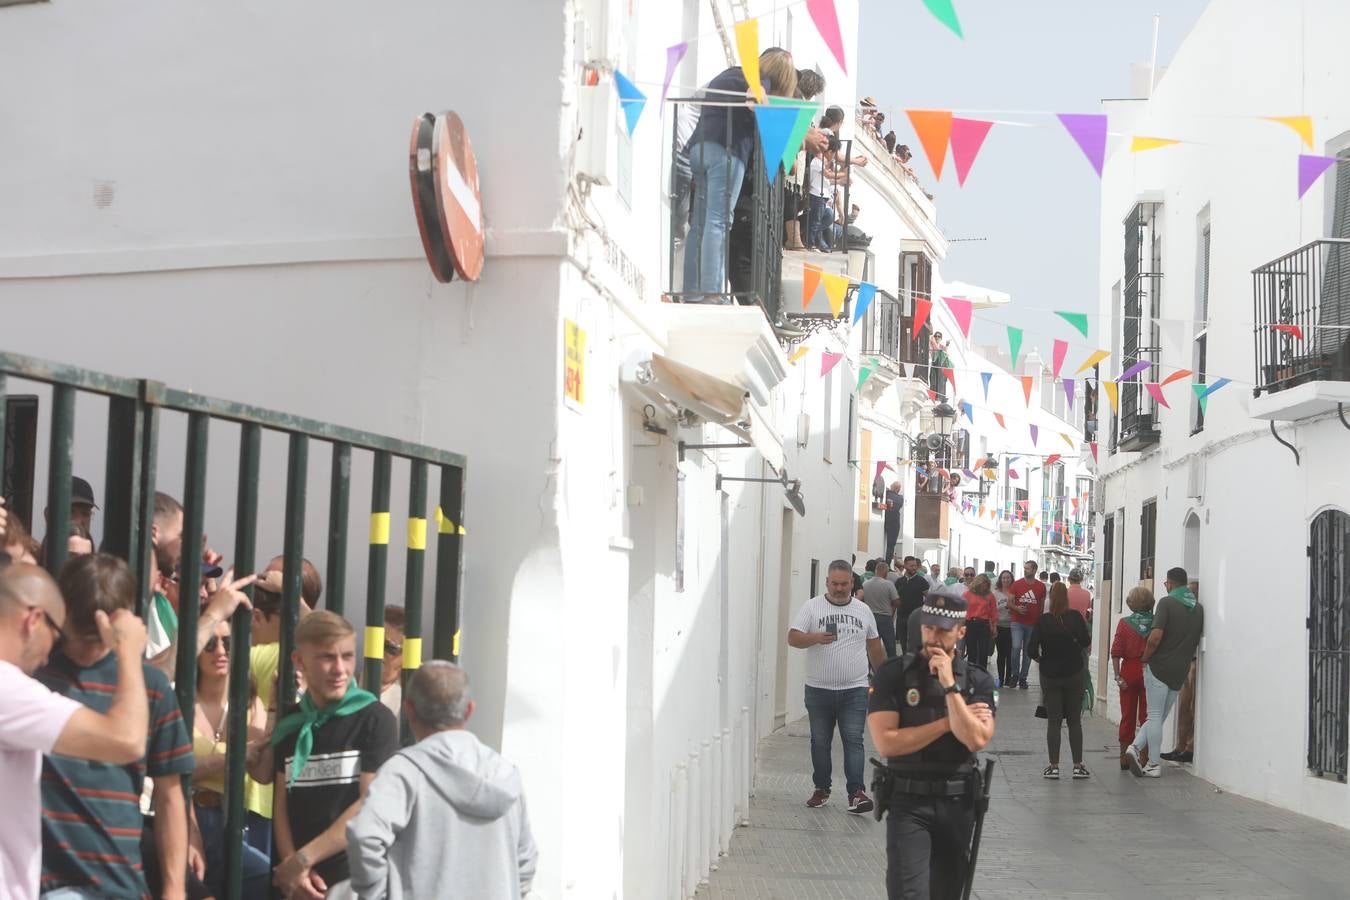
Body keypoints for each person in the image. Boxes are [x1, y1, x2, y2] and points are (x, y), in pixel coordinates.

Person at [37, 553, 197, 899]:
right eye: (80, 634)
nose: (85, 648)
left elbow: (171, 796)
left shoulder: (149, 685)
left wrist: (174, 889)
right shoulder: (33, 674)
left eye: (97, 637)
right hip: (41, 881)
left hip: (119, 883)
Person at [0, 563, 152, 900]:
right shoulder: (6, 687)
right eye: (55, 637)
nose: (46, 657)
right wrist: (128, 650)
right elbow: (126, 740)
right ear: (33, 620)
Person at [348, 662, 537, 900]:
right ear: (469, 710)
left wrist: (378, 895)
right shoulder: (506, 773)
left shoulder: (404, 772)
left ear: (409, 710)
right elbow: (526, 860)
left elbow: (364, 836)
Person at [867, 592, 997, 899]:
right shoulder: (894, 674)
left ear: (961, 631)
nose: (933, 637)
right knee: (909, 893)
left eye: (943, 630)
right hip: (908, 801)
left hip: (958, 802)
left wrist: (951, 687)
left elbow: (976, 739)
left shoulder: (977, 681)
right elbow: (887, 743)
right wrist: (946, 724)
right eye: (929, 628)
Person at [263, 611, 399, 897]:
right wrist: (293, 872)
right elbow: (281, 803)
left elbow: (368, 804)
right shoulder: (291, 724)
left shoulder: (375, 719)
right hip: (298, 885)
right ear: (299, 661)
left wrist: (304, 859)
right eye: (327, 657)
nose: (340, 668)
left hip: (353, 883)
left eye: (348, 656)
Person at [683, 49, 799, 295]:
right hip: (727, 152)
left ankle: (692, 290)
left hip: (699, 148)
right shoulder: (759, 82)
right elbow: (754, 99)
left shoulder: (731, 74)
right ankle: (713, 292)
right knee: (719, 221)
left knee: (699, 224)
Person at [787, 560, 886, 813]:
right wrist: (815, 638)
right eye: (835, 584)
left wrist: (885, 679)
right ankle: (821, 788)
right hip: (819, 690)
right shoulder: (812, 607)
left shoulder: (863, 610)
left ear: (852, 583)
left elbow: (874, 645)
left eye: (844, 584)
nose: (840, 588)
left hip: (855, 690)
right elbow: (793, 638)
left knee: (854, 740)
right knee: (820, 741)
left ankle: (857, 793)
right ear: (827, 583)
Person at [191, 618, 275, 896]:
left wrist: (275, 704)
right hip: (187, 817)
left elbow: (261, 770)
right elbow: (173, 768)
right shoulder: (178, 697)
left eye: (227, 643)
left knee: (269, 880)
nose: (220, 651)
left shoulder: (250, 702)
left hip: (231, 820)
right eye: (210, 644)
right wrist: (234, 758)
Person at [1126, 568, 1203, 779]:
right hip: (1181, 670)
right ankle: (1134, 747)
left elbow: (1155, 637)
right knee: (1158, 717)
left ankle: (1153, 764)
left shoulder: (1167, 603)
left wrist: (1145, 657)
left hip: (1159, 667)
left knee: (1154, 715)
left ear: (1169, 584)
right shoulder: (1198, 609)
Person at [1026, 582, 1092, 779]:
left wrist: (1042, 660)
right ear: (1067, 597)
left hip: (1050, 675)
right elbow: (1086, 642)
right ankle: (1077, 766)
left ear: (1051, 597)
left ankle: (1053, 766)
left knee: (1053, 722)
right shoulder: (1075, 617)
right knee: (1074, 722)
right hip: (1073, 673)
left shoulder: (1043, 620)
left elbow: (1031, 650)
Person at [1111, 586, 1154, 771]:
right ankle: (1144, 757)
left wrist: (1117, 675)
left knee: (1127, 715)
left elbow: (1116, 652)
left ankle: (1123, 756)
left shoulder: (1124, 623)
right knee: (1147, 716)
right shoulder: (1155, 623)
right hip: (1149, 671)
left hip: (1128, 670)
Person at [1006, 560, 1047, 690]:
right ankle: (1014, 675)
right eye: (1024, 568)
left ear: (1034, 570)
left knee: (1029, 652)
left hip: (1032, 623)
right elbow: (1009, 603)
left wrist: (1039, 622)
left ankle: (1023, 678)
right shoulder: (1017, 584)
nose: (1025, 570)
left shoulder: (1041, 586)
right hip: (1017, 622)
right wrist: (1017, 609)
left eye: (1028, 568)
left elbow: (1041, 605)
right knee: (1016, 647)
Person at [862, 560, 900, 658]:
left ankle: (870, 669)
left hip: (870, 617)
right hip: (885, 618)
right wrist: (892, 607)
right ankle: (892, 667)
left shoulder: (866, 584)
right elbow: (896, 601)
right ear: (886, 572)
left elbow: (862, 600)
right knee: (890, 646)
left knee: (871, 645)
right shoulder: (888, 584)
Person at [895, 557, 930, 655]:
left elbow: (929, 598)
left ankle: (916, 665)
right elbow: (895, 599)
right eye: (911, 566)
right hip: (902, 617)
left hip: (916, 618)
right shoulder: (899, 582)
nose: (914, 568)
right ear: (905, 566)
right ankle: (906, 664)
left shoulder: (922, 581)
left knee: (916, 644)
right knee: (903, 644)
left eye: (915, 565)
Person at [962, 575, 997, 670]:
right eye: (982, 584)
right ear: (977, 584)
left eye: (986, 585)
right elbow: (961, 610)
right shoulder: (967, 594)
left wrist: (994, 626)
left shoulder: (990, 595)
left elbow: (993, 611)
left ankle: (982, 675)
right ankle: (971, 676)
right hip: (970, 624)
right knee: (971, 651)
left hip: (984, 624)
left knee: (983, 651)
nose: (984, 587)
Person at [378, 605, 407, 717]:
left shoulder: (410, 701)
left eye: (390, 647)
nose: (379, 652)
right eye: (375, 643)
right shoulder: (348, 686)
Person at [992, 570, 1014, 688]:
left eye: (1008, 578)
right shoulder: (995, 593)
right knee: (1001, 654)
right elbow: (992, 609)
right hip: (1000, 625)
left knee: (1011, 653)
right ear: (1000, 579)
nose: (1006, 580)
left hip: (1012, 626)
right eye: (1004, 578)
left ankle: (1008, 678)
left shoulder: (1015, 592)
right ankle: (1000, 678)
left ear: (1011, 579)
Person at [883, 481, 904, 563]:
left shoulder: (887, 494)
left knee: (888, 543)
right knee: (891, 545)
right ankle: (887, 564)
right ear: (898, 489)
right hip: (894, 522)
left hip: (886, 519)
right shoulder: (900, 498)